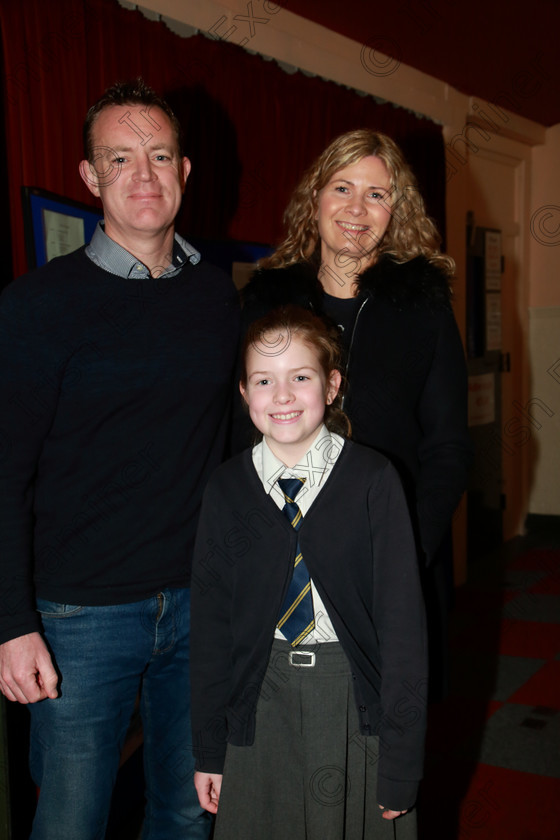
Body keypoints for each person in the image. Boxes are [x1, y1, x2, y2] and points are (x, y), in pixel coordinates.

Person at [0, 79, 239, 839]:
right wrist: (11, 623)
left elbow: (235, 448)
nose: (143, 174)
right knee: (71, 823)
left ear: (185, 170)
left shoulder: (216, 297)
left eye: (159, 154)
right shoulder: (37, 305)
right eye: (120, 157)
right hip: (78, 617)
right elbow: (4, 471)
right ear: (90, 177)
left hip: (200, 604)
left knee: (186, 812)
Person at [236, 129, 472, 700]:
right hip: (285, 555)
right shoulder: (267, 301)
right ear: (315, 197)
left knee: (389, 734)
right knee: (289, 724)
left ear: (398, 210)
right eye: (342, 187)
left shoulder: (425, 308)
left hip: (393, 551)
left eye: (378, 194)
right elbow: (235, 428)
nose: (357, 209)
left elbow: (447, 447)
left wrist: (405, 555)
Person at [191, 305, 428, 839]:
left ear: (332, 384)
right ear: (243, 392)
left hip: (352, 705)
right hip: (258, 706)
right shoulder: (226, 490)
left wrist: (402, 762)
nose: (281, 395)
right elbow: (209, 633)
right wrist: (208, 749)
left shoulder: (374, 481)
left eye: (300, 376)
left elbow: (403, 633)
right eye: (263, 380)